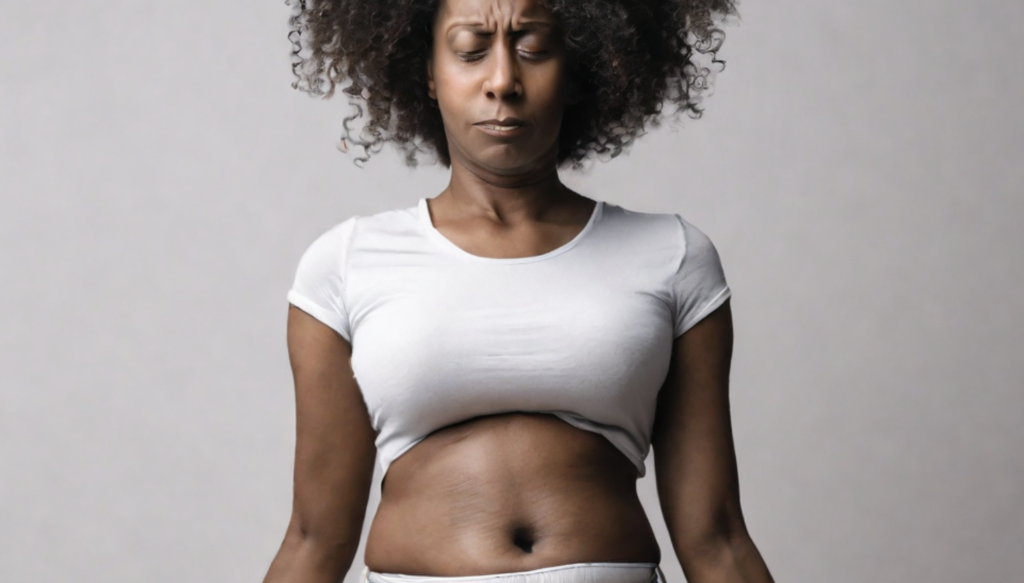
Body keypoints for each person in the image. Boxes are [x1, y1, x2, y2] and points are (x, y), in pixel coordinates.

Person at [264, 0, 774, 582]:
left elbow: (717, 537)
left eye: (533, 47)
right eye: (470, 50)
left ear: (580, 65)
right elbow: (313, 539)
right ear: (428, 72)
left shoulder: (673, 257)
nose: (503, 81)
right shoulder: (347, 264)